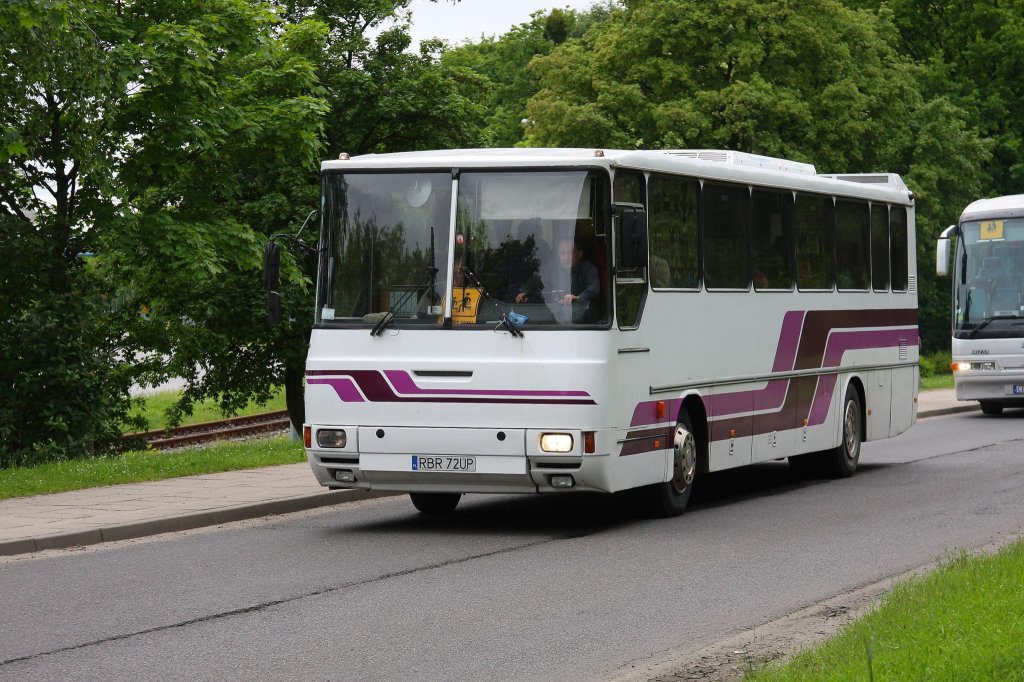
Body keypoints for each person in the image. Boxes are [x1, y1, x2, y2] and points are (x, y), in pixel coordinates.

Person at [517, 236, 600, 321]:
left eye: (570, 253)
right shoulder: (551, 267)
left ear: (580, 254)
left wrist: (578, 298)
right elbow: (536, 279)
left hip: (580, 316)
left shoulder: (588, 269)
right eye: (562, 253)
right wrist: (524, 291)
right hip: (553, 314)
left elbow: (594, 288)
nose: (566, 257)